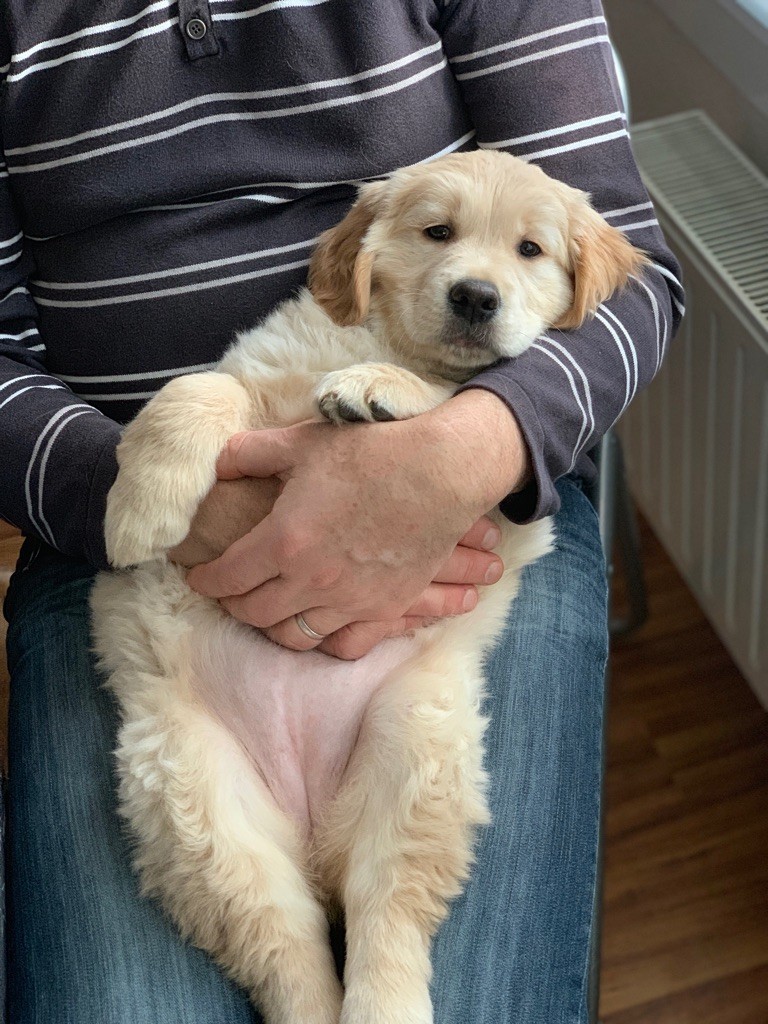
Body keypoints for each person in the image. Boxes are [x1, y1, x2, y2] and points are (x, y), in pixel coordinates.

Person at [0, 1, 683, 1021]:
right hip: (116, 526)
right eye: (440, 233)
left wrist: (459, 455)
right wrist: (140, 491)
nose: (476, 274)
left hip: (469, 520)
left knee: (448, 976)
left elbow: (637, 287)